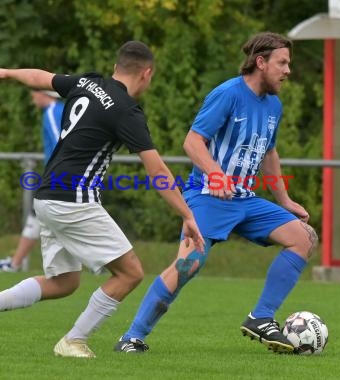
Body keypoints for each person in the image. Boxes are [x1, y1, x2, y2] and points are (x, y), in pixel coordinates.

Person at [0, 41, 205, 358]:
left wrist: (7, 72)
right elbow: (157, 170)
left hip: (46, 197)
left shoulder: (87, 83)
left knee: (65, 282)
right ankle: (73, 340)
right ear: (146, 73)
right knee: (130, 273)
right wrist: (187, 214)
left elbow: (40, 77)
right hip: (73, 200)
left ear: (116, 67)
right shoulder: (126, 110)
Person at [114, 32, 318, 355]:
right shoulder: (227, 94)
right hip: (207, 195)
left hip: (245, 200)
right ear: (260, 62)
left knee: (304, 237)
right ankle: (132, 337)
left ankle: (261, 317)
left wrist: (285, 200)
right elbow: (192, 142)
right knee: (188, 265)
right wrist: (218, 175)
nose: (288, 70)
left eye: (288, 64)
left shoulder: (274, 106)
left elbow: (270, 154)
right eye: (282, 63)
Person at [0, 89, 64, 272]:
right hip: (61, 174)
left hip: (58, 175)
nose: (32, 98)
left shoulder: (53, 112)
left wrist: (56, 174)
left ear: (45, 94)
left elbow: (61, 144)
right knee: (39, 216)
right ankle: (15, 263)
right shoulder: (58, 110)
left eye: (34, 94)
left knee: (49, 216)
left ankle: (14, 263)